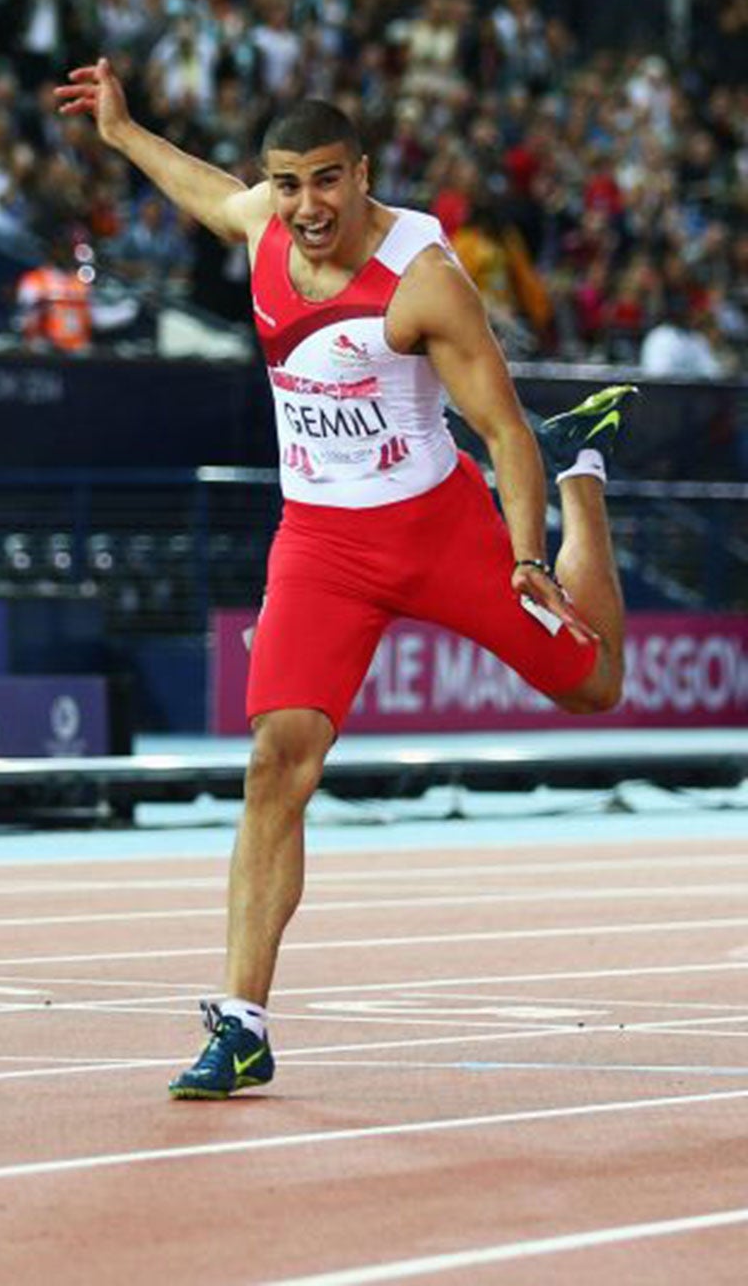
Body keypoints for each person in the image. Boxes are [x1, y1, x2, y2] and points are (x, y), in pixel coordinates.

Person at [56, 61, 634, 1099]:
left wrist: (525, 551)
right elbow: (202, 191)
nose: (306, 206)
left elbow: (499, 431)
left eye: (326, 181)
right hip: (320, 541)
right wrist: (121, 133)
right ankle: (240, 1023)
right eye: (287, 185)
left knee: (592, 683)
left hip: (438, 525)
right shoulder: (266, 229)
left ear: (360, 175)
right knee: (276, 760)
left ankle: (586, 478)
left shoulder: (421, 278)